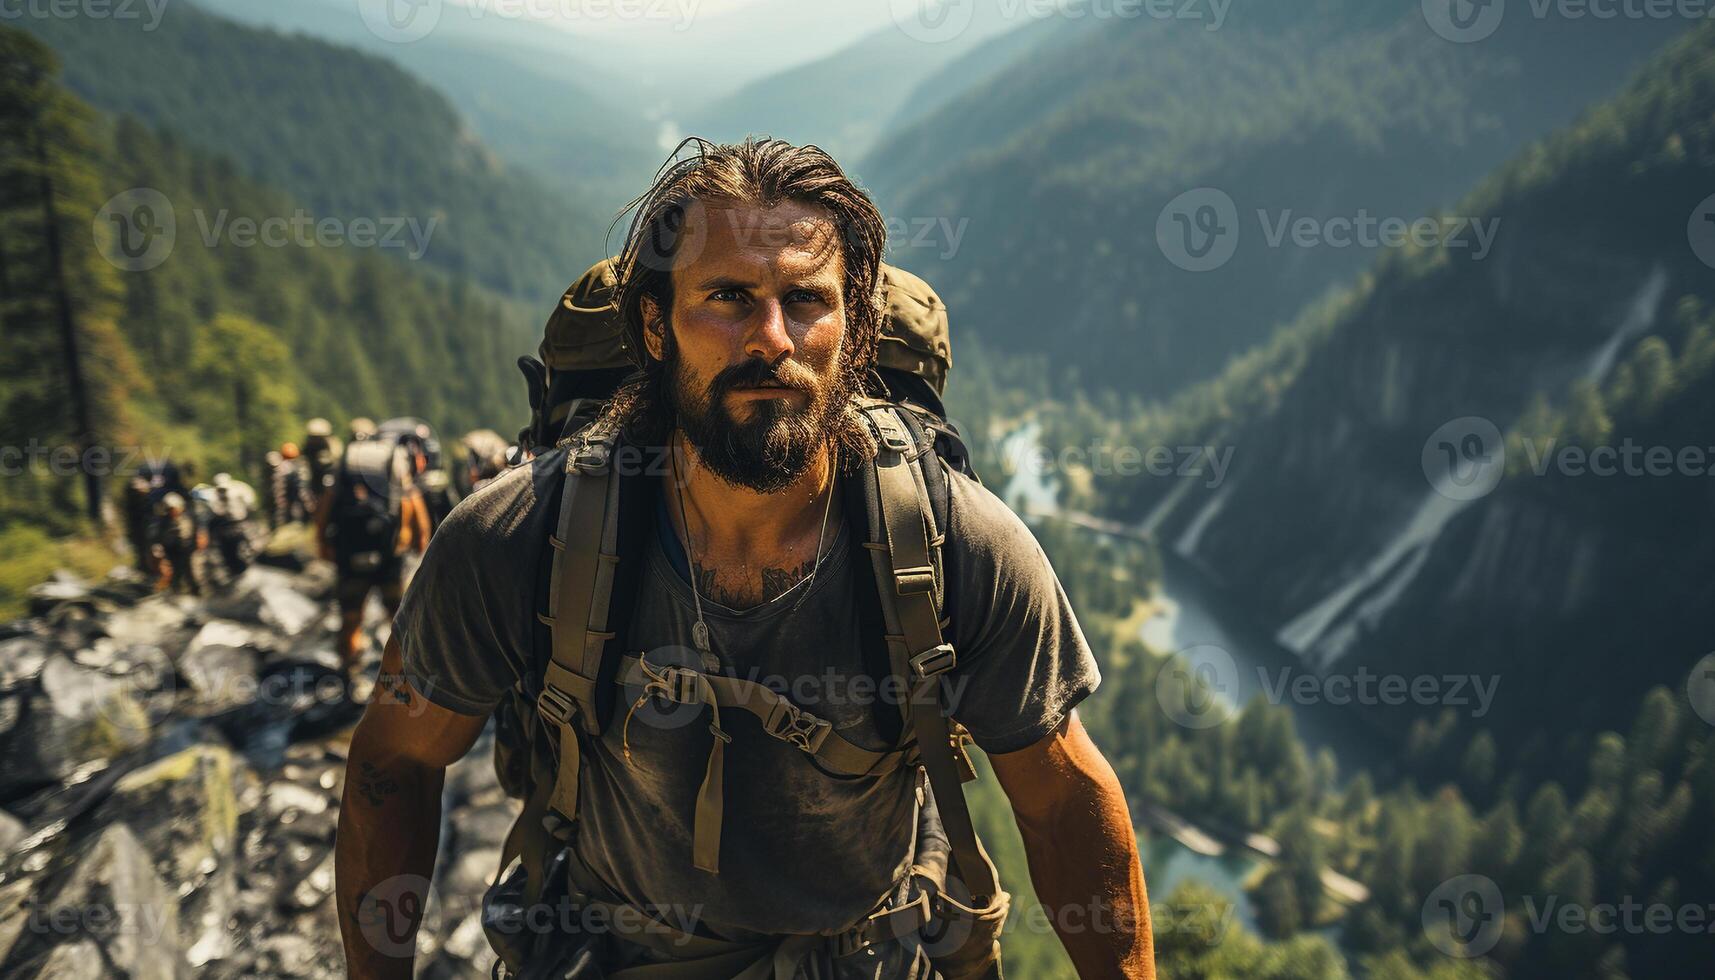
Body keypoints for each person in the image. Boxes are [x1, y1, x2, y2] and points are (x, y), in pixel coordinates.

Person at [335, 139, 1154, 980]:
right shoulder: (519, 537)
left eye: (806, 300)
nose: (772, 339)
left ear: (858, 329)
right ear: (655, 325)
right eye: (728, 297)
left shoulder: (957, 546)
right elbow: (394, 760)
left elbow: (1062, 800)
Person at [315, 431, 433, 682]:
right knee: (399, 615)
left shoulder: (344, 462)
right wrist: (418, 540)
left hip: (351, 551)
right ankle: (408, 674)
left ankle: (349, 670)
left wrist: (322, 541)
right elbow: (411, 498)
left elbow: (325, 503)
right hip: (389, 551)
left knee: (351, 616)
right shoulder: (393, 459)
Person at [151, 491, 204, 595]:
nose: (173, 511)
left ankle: (196, 594)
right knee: (176, 573)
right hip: (173, 551)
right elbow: (158, 537)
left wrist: (199, 539)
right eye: (170, 509)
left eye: (174, 508)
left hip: (189, 549)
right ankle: (177, 594)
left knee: (192, 573)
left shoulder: (189, 516)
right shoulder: (163, 522)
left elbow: (197, 530)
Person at [271, 442, 314, 526]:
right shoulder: (301, 467)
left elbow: (279, 493)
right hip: (300, 509)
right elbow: (304, 491)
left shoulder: (281, 468)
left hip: (288, 510)